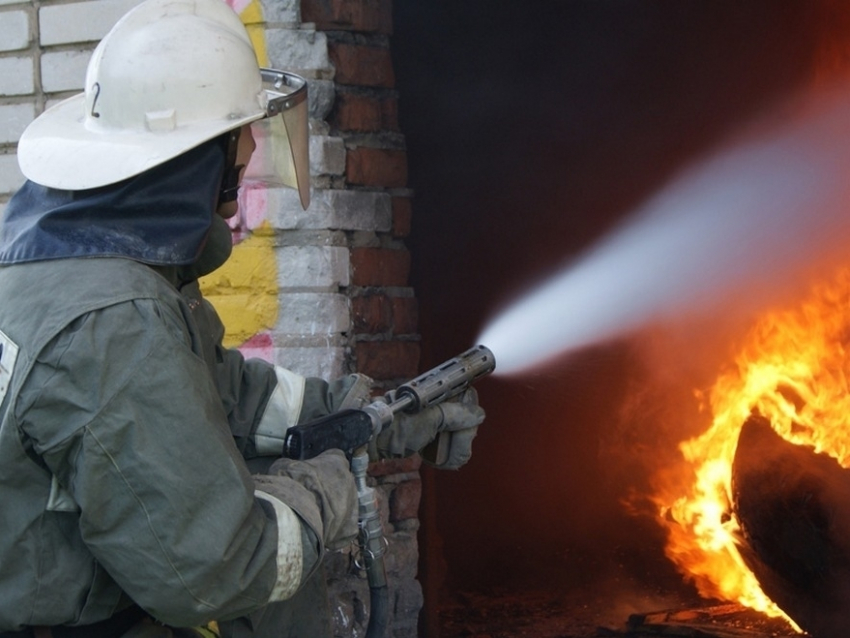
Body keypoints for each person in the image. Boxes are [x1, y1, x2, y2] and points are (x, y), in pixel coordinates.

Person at [0, 0, 485, 636]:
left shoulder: (79, 272)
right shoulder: (115, 322)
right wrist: (332, 488)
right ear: (193, 164)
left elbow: (224, 398)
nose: (253, 148)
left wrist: (374, 417)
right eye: (238, 136)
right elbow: (214, 569)